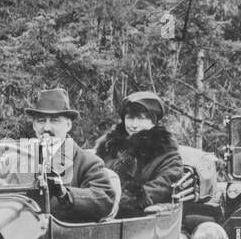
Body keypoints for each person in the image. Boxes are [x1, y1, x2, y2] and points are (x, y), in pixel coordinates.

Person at [23, 87, 115, 222]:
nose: (47, 128)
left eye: (55, 120)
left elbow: (104, 199)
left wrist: (65, 194)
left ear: (68, 125)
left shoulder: (88, 162)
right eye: (41, 120)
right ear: (34, 126)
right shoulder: (21, 158)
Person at [91, 91, 185, 218]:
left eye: (141, 118)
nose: (134, 125)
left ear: (154, 120)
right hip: (97, 211)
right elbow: (92, 175)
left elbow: (161, 186)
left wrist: (124, 200)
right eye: (129, 118)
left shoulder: (167, 154)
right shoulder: (109, 147)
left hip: (137, 219)